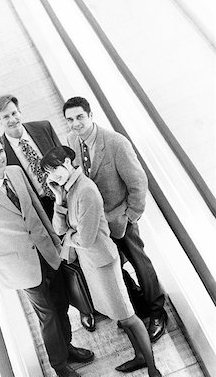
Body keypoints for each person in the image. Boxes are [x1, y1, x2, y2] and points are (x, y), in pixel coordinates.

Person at [0, 133, 94, 377]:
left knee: (61, 303)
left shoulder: (15, 172)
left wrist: (58, 243)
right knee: (47, 315)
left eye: (0, 151)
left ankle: (67, 347)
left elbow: (35, 207)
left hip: (46, 252)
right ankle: (60, 365)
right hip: (21, 267)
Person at [41, 146, 164, 377]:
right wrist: (59, 202)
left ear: (67, 162)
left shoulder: (85, 190)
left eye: (56, 169)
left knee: (128, 317)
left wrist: (67, 240)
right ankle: (140, 357)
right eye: (50, 174)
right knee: (120, 314)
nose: (54, 176)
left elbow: (83, 238)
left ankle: (155, 372)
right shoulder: (67, 191)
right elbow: (58, 227)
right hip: (91, 263)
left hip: (104, 263)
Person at [64, 96, 167, 342]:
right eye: (70, 120)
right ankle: (136, 305)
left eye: (80, 117)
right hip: (98, 225)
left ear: (90, 115)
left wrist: (130, 216)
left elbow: (138, 183)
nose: (76, 123)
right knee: (114, 267)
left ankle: (156, 313)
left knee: (140, 263)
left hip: (120, 218)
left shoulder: (115, 143)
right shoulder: (71, 141)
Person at [0, 94, 96, 332]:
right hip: (40, 211)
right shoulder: (1, 151)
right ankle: (85, 309)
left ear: (20, 112)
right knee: (65, 260)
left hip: (65, 197)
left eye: (14, 113)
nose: (12, 119)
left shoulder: (43, 128)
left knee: (85, 250)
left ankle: (98, 302)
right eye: (5, 116)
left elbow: (66, 161)